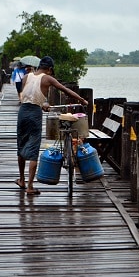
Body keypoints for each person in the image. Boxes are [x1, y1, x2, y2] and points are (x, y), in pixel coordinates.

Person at [15, 56, 89, 195]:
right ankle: (30, 187)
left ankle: (22, 179)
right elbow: (65, 90)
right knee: (33, 148)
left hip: (23, 112)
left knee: (21, 144)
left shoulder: (26, 76)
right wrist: (82, 100)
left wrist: (42, 104)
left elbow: (27, 95)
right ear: (49, 69)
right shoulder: (47, 78)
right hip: (34, 113)